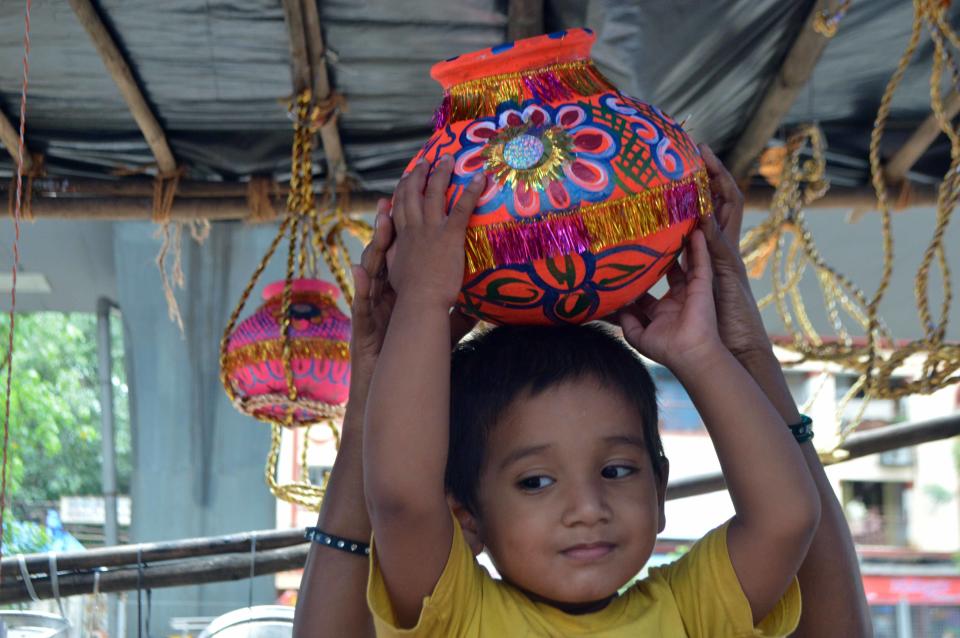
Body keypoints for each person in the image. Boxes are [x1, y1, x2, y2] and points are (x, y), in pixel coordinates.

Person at [293, 145, 872, 637]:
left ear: (661, 487)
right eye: (535, 481)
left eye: (617, 471)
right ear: (464, 514)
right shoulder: (455, 612)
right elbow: (399, 497)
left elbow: (789, 517)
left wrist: (704, 354)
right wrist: (421, 300)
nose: (588, 510)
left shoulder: (688, 609)